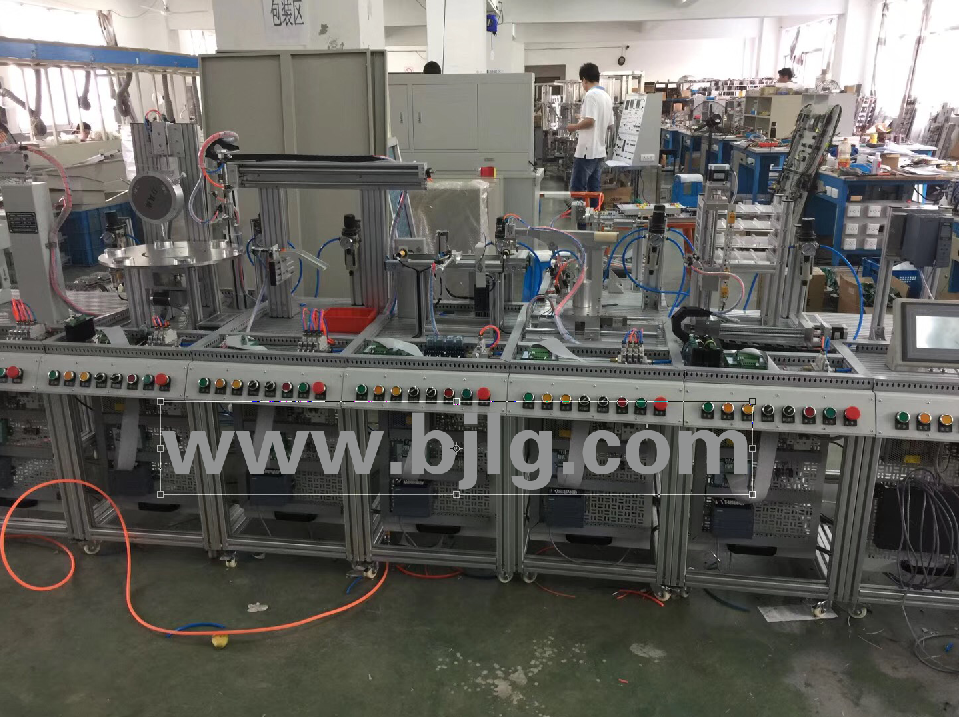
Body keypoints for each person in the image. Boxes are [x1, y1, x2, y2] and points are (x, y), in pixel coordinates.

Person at [566, 62, 613, 208]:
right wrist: (583, 118)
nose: (583, 86)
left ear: (585, 79)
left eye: (582, 82)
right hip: (599, 151)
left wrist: (574, 127)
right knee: (594, 190)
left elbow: (591, 121)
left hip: (586, 152)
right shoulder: (606, 97)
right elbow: (608, 123)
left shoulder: (591, 95)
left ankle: (579, 221)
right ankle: (594, 219)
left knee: (577, 190)